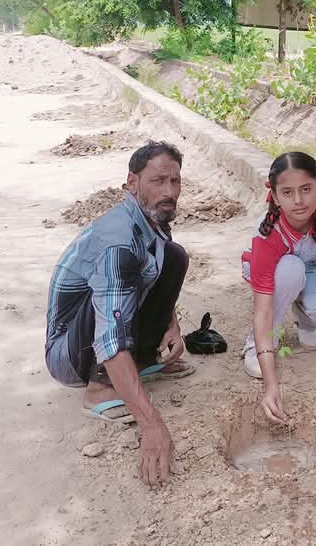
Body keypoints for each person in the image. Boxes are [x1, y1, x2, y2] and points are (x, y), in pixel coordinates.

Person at [45, 141, 195, 487]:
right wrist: (151, 425)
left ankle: (142, 360)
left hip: (100, 322)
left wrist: (171, 325)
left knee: (174, 256)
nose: (169, 191)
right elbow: (109, 337)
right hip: (69, 351)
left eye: (175, 181)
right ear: (132, 183)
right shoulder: (118, 242)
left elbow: (155, 268)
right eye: (158, 181)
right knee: (123, 276)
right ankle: (99, 388)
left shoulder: (151, 217)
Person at [241, 152, 316, 423]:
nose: (298, 200)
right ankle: (255, 344)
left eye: (306, 189)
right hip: (278, 272)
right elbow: (263, 311)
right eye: (287, 192)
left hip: (313, 266)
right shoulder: (267, 235)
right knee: (290, 271)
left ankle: (305, 318)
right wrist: (271, 385)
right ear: (274, 196)